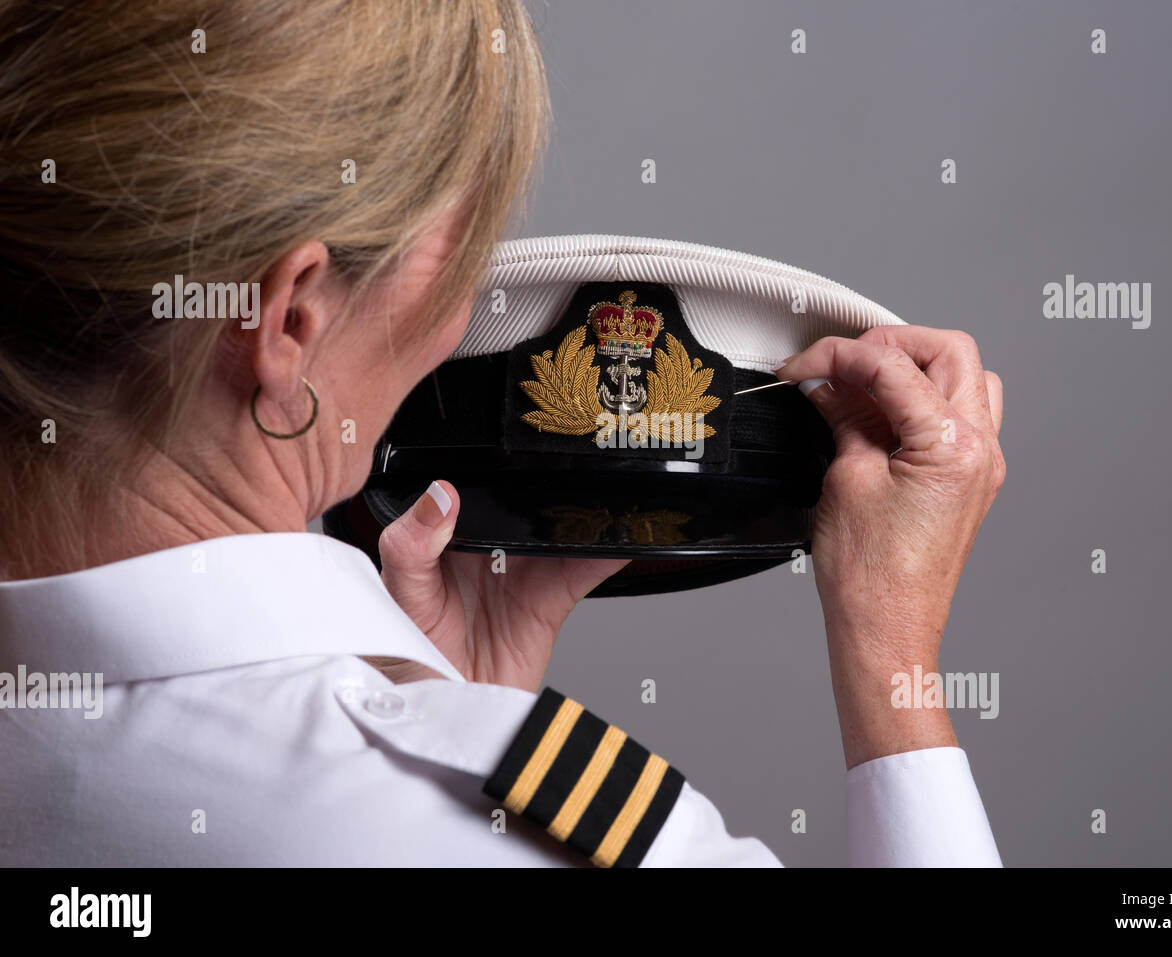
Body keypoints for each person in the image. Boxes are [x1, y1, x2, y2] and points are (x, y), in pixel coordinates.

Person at [0, 0, 1005, 866]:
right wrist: (893, 664)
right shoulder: (537, 830)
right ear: (292, 321)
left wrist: (435, 698)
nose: (456, 320)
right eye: (463, 252)